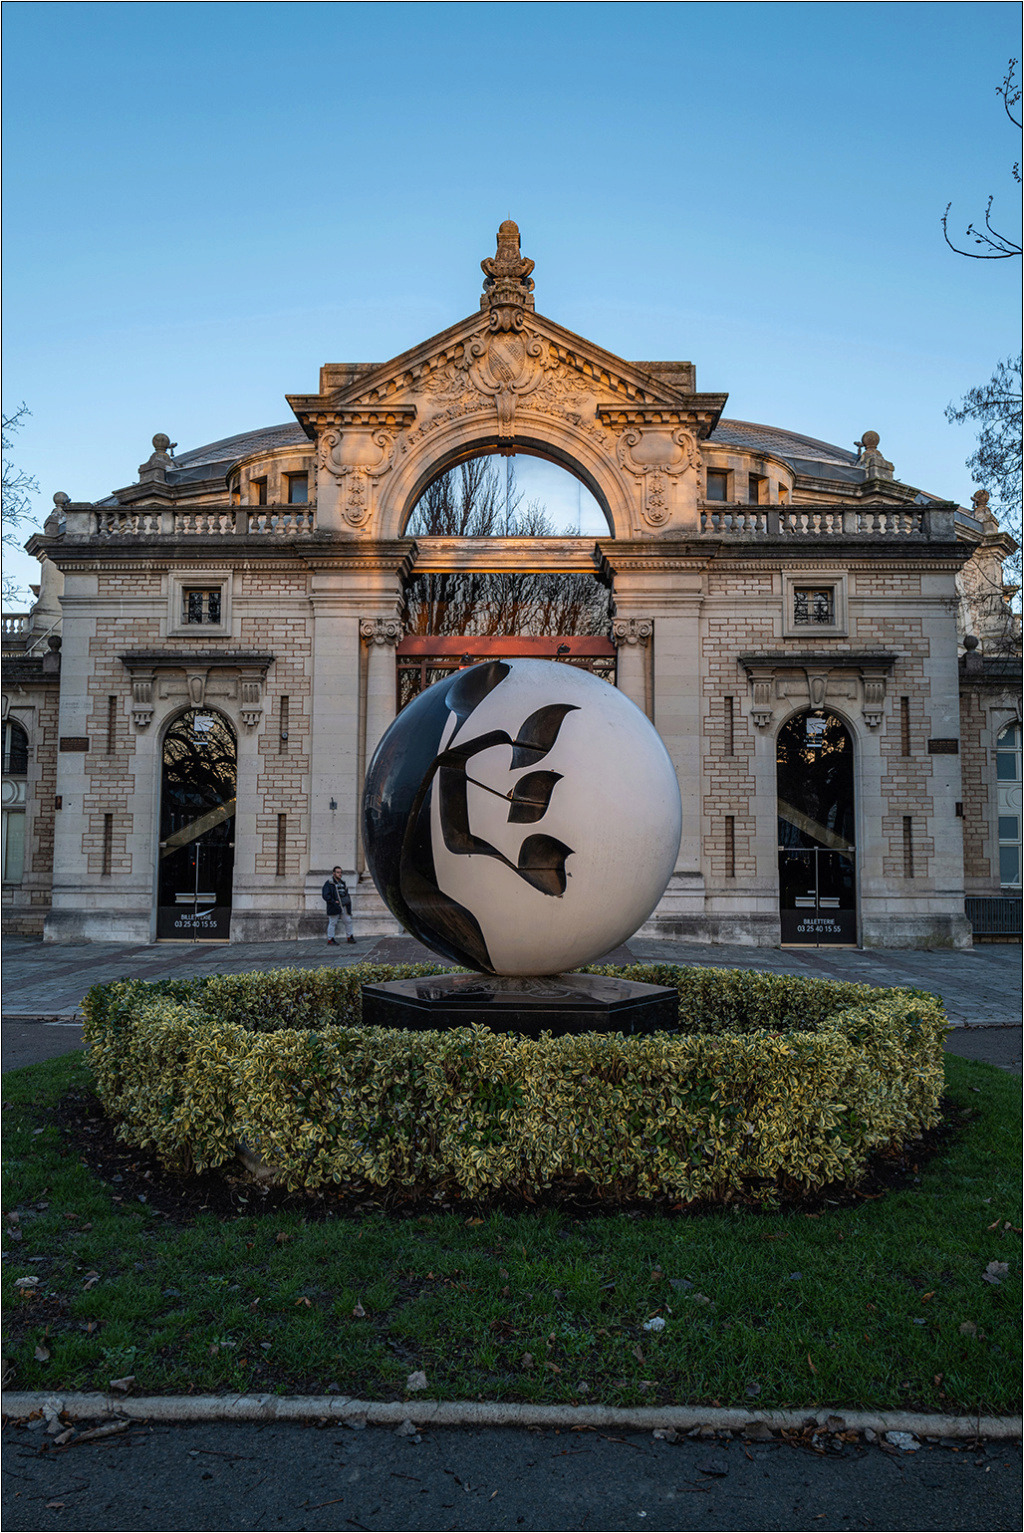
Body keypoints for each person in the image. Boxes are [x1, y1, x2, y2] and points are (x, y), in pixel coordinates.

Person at [322, 866, 355, 945]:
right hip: (335, 906)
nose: (340, 874)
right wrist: (333, 901)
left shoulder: (343, 882)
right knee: (333, 922)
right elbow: (325, 895)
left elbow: (345, 893)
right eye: (338, 872)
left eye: (340, 872)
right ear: (334, 873)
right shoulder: (329, 883)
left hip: (344, 906)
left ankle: (349, 937)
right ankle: (330, 939)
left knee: (348, 921)